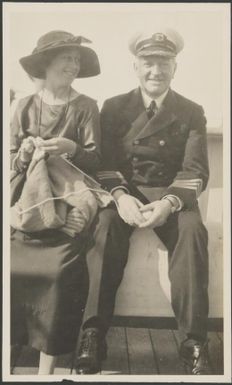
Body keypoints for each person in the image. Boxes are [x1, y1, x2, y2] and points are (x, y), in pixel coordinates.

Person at [76, 28, 211, 375]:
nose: (156, 71)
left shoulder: (191, 111)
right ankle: (92, 334)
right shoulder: (115, 107)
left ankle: (194, 342)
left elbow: (196, 170)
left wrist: (168, 203)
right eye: (148, 63)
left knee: (193, 233)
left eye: (163, 63)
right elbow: (105, 163)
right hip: (126, 193)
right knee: (103, 229)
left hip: (171, 196)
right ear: (135, 66)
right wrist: (119, 198)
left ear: (175, 67)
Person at [10, 30, 102, 374]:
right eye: (67, 58)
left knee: (60, 274)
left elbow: (96, 161)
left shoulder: (86, 107)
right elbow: (11, 164)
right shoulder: (23, 106)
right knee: (11, 268)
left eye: (77, 59)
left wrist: (71, 149)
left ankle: (45, 375)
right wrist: (24, 155)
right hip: (29, 207)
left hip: (69, 202)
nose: (74, 65)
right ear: (45, 64)